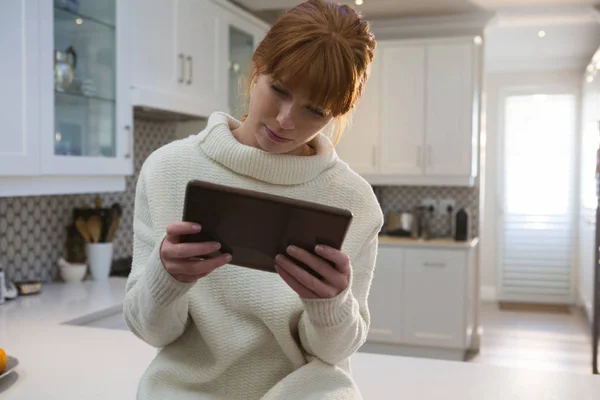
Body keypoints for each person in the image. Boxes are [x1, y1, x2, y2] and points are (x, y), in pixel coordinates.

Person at [123, 0, 383, 398]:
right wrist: (166, 278)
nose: (285, 120)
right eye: (279, 89)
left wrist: (331, 304)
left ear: (335, 114)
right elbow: (151, 331)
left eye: (314, 110)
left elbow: (334, 352)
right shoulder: (167, 170)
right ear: (256, 68)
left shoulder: (354, 201)